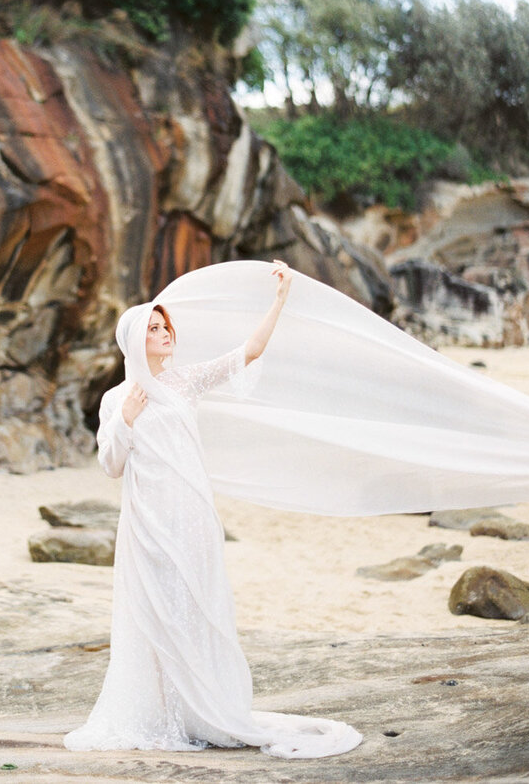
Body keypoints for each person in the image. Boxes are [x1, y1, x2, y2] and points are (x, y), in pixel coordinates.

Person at [64, 260, 363, 759]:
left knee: (196, 611)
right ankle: (164, 717)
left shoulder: (185, 382)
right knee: (155, 616)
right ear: (134, 340)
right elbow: (111, 465)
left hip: (193, 517)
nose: (163, 335)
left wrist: (280, 299)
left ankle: (203, 711)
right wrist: (127, 421)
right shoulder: (117, 399)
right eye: (153, 329)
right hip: (146, 523)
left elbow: (248, 352)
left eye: (165, 327)